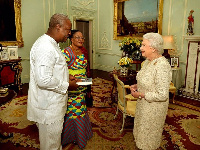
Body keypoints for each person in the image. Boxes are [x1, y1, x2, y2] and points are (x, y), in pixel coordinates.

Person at [27, 13, 78, 150]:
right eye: (67, 30)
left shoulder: (50, 43)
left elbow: (51, 71)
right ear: (58, 27)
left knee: (53, 142)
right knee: (51, 145)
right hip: (48, 108)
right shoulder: (45, 47)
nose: (69, 34)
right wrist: (67, 85)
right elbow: (43, 79)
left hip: (50, 103)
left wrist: (66, 77)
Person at [130, 33, 172, 150]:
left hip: (153, 109)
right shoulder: (148, 61)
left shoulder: (162, 66)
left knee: (149, 138)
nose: (140, 48)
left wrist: (141, 94)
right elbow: (147, 79)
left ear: (153, 48)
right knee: (141, 134)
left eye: (143, 45)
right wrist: (137, 85)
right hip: (143, 105)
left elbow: (162, 95)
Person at [61, 30, 93, 149]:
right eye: (77, 37)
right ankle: (73, 137)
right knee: (74, 111)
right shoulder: (66, 52)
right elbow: (59, 70)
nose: (81, 39)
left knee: (81, 108)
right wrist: (70, 77)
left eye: (82, 37)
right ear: (72, 39)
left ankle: (81, 134)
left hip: (82, 87)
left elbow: (85, 68)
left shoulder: (82, 51)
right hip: (72, 87)